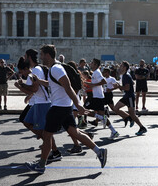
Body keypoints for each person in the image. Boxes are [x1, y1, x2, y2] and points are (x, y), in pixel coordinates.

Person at [25, 44, 107, 174]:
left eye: (41, 55)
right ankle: (99, 151)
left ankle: (41, 165)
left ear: (47, 55)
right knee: (75, 133)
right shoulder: (53, 69)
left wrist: (78, 104)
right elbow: (53, 84)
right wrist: (39, 80)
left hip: (58, 107)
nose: (40, 58)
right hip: (65, 107)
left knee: (47, 136)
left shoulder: (56, 69)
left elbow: (67, 87)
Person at [84, 58, 119, 138]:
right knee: (101, 116)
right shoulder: (95, 73)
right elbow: (95, 83)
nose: (90, 64)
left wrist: (93, 85)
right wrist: (87, 83)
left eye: (92, 63)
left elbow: (104, 81)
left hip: (97, 97)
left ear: (96, 65)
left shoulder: (96, 72)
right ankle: (114, 131)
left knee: (84, 109)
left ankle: (102, 117)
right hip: (98, 96)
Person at [114, 61, 147, 135]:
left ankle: (142, 127)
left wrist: (119, 86)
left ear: (125, 67)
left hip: (130, 97)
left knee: (132, 114)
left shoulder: (126, 75)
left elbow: (127, 88)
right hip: (126, 96)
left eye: (121, 66)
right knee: (115, 108)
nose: (120, 67)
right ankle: (128, 118)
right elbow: (132, 83)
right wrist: (120, 86)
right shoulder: (125, 75)